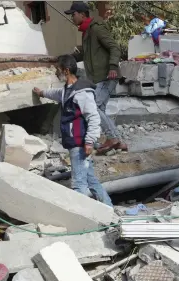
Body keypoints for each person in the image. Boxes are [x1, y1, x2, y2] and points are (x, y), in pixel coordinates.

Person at [33, 54, 113, 208]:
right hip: (75, 142)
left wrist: (90, 141)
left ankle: (84, 217)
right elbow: (57, 94)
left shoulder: (82, 93)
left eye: (58, 69)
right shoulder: (68, 90)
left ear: (66, 70)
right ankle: (109, 209)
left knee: (78, 184)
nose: (57, 73)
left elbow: (94, 118)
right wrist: (42, 93)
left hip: (80, 143)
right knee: (90, 179)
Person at [65, 1, 128, 155]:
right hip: (99, 77)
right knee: (100, 109)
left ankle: (113, 138)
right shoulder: (87, 32)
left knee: (94, 106)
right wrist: (67, 58)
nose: (72, 18)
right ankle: (117, 142)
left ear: (82, 14)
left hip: (107, 75)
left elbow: (114, 47)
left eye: (73, 14)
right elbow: (86, 54)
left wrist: (113, 66)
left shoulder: (96, 28)